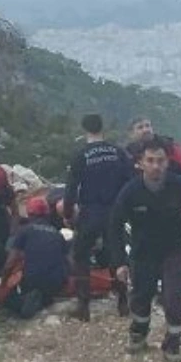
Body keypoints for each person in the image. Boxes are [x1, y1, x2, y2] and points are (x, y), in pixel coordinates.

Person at [109, 136, 181, 362]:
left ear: (167, 162)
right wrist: (119, 262)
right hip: (142, 254)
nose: (156, 165)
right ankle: (138, 333)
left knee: (176, 297)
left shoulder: (180, 186)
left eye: (160, 160)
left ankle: (172, 344)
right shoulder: (130, 191)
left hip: (173, 251)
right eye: (150, 160)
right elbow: (114, 226)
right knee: (141, 297)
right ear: (141, 163)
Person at [63, 114, 136, 322]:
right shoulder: (117, 152)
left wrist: (68, 214)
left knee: (81, 256)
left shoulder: (81, 156)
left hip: (90, 211)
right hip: (115, 210)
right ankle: (123, 301)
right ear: (102, 128)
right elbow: (131, 181)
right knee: (117, 254)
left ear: (85, 129)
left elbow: (70, 190)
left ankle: (83, 306)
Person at [1, 196, 70, 319]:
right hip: (57, 282)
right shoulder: (57, 234)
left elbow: (10, 262)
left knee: (8, 300)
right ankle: (45, 299)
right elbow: (69, 261)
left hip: (34, 280)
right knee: (44, 289)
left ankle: (28, 300)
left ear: (30, 214)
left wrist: (3, 282)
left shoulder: (25, 231)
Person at [125, 116, 181, 202]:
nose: (146, 130)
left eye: (148, 126)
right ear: (131, 134)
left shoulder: (169, 147)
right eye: (140, 127)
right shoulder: (128, 154)